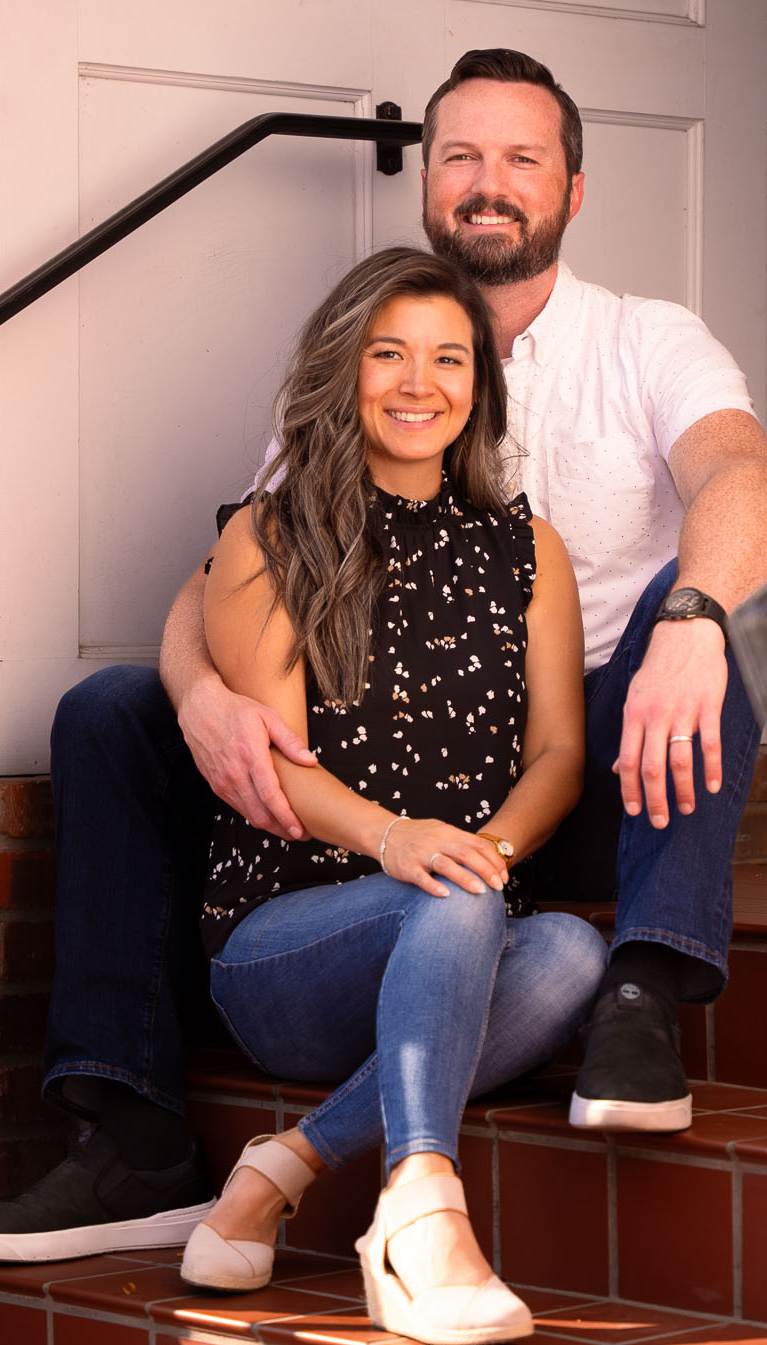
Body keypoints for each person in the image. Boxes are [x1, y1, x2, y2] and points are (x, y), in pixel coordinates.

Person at [0, 48, 767, 1264]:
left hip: (604, 753)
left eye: (520, 159)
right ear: (427, 183)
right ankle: (130, 1127)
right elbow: (220, 573)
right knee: (111, 711)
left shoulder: (643, 343)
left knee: (726, 604)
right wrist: (196, 698)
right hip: (365, 785)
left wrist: (690, 621)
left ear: (572, 188)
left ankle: (642, 993)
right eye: (460, 157)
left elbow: (749, 487)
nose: (486, 183)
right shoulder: (364, 385)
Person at [168, 247, 601, 1345]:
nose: (420, 383)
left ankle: (287, 1161)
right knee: (457, 899)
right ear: (342, 368)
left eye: (448, 357)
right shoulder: (269, 535)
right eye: (388, 354)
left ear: (479, 383)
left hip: (452, 916)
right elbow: (274, 764)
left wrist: (485, 848)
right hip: (285, 943)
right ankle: (419, 1214)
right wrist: (398, 838)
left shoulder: (528, 548)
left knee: (570, 954)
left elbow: (556, 749)